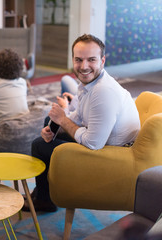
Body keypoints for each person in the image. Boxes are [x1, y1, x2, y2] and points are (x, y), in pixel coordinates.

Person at [23, 34, 141, 212]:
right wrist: (54, 127)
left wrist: (62, 119)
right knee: (50, 122)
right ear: (72, 59)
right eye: (79, 60)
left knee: (39, 146)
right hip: (105, 142)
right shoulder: (92, 83)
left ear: (102, 60)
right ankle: (43, 192)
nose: (84, 66)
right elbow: (78, 116)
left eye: (91, 60)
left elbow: (93, 143)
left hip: (113, 156)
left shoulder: (104, 92)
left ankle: (44, 199)